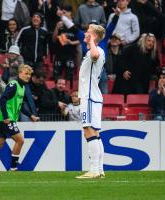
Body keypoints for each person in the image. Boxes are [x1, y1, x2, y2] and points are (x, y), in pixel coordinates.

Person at [0, 64, 37, 171]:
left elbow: (20, 105)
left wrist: (30, 115)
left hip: (2, 118)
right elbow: (3, 99)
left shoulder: (22, 87)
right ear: (19, 73)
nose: (28, 76)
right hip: (6, 118)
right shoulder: (13, 85)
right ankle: (13, 167)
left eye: (30, 74)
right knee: (20, 140)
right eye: (26, 73)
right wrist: (6, 116)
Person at [75, 24, 106, 179]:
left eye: (89, 32)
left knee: (88, 131)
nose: (86, 33)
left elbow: (94, 55)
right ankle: (99, 169)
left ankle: (93, 170)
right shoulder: (93, 51)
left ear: (94, 36)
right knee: (95, 133)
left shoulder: (97, 50)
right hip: (93, 96)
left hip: (89, 97)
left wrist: (93, 41)